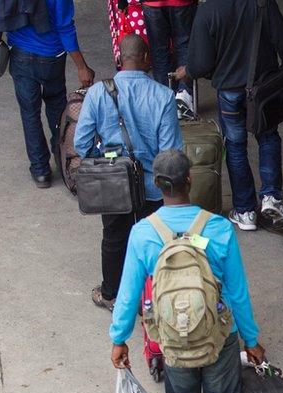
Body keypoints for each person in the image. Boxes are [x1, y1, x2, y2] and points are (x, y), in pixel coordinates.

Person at [109, 149, 265, 393]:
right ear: (190, 180)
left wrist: (119, 339)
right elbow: (238, 292)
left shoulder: (143, 232)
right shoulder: (218, 228)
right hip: (219, 337)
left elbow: (128, 294)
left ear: (156, 184)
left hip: (173, 344)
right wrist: (251, 339)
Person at [74, 35, 183, 311]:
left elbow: (81, 143)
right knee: (155, 240)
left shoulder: (98, 93)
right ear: (147, 58)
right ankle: (154, 296)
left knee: (114, 237)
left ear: (119, 60)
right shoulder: (164, 96)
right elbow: (170, 154)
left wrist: (108, 158)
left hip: (114, 183)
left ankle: (111, 294)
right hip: (154, 186)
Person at [179, 0, 283, 230]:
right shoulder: (262, 3)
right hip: (263, 91)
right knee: (268, 136)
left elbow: (201, 64)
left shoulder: (208, 11)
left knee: (236, 147)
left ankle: (245, 211)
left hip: (229, 92)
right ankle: (271, 197)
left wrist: (187, 71)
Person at [0, 0, 95, 187]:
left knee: (29, 113)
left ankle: (40, 171)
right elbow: (65, 27)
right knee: (58, 109)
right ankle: (62, 159)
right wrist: (82, 66)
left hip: (19, 54)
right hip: (52, 57)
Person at [141, 0, 198, 115]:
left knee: (158, 50)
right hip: (182, 3)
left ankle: (164, 99)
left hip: (153, 4)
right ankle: (184, 98)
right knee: (185, 45)